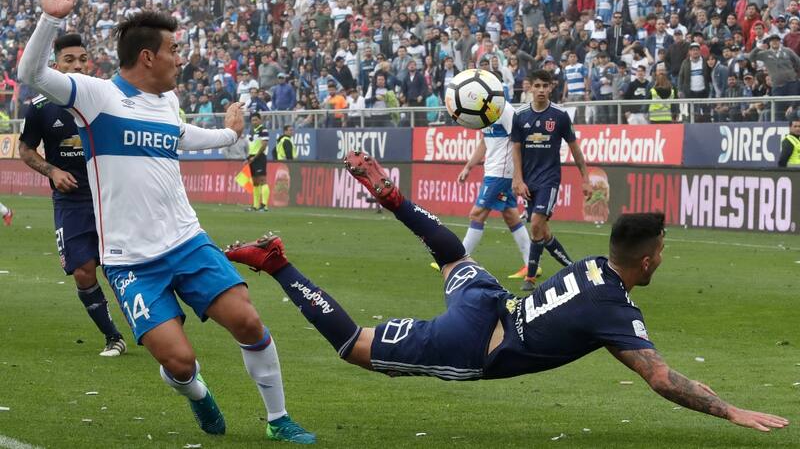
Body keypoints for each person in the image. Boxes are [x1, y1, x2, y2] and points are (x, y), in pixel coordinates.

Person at [225, 152, 789, 435]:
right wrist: (731, 410)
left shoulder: (595, 268)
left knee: (454, 256)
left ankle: (396, 199)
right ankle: (278, 265)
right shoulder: (614, 308)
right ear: (647, 260)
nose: (664, 254)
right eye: (662, 248)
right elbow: (662, 379)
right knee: (354, 346)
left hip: (491, 300)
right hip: (474, 342)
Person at [17, 0, 314, 443]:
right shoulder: (96, 97)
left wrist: (231, 135)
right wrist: (50, 21)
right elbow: (30, 74)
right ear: (148, 56)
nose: (181, 59)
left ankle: (279, 420)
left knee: (248, 321)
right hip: (131, 261)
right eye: (174, 50)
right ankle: (196, 393)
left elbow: (181, 137)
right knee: (180, 362)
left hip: (187, 242)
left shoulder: (166, 101)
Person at [18, 33, 127, 357]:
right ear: (56, 65)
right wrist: (52, 171)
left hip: (110, 196)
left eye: (82, 59)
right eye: (69, 60)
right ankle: (112, 336)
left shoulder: (105, 99)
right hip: (71, 200)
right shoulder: (39, 107)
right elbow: (26, 149)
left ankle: (151, 326)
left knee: (123, 264)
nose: (77, 65)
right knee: (83, 270)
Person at [510, 70, 591, 291]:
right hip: (528, 181)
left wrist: (586, 179)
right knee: (543, 232)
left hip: (549, 179)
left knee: (536, 223)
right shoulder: (521, 116)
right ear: (530, 88)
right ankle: (573, 268)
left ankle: (530, 277)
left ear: (551, 88)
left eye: (545, 86)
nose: (541, 90)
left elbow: (575, 148)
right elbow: (515, 148)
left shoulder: (560, 115)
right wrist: (517, 178)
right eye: (537, 86)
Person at [457, 100, 531, 279]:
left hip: (501, 171)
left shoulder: (505, 110)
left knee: (477, 214)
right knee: (511, 216)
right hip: (493, 170)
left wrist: (516, 175)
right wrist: (468, 167)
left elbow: (518, 142)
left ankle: (457, 261)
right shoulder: (485, 111)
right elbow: (484, 141)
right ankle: (531, 264)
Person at [246, 112, 270, 211]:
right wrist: (248, 158)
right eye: (252, 120)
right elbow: (251, 145)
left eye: (256, 119)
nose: (254, 122)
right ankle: (255, 206)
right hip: (252, 157)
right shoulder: (251, 131)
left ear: (260, 120)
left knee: (262, 180)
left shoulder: (263, 130)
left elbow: (264, 145)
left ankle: (264, 206)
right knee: (255, 182)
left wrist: (255, 157)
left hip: (259, 157)